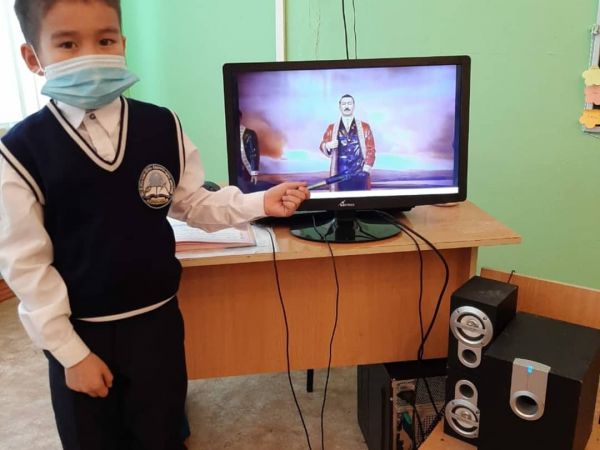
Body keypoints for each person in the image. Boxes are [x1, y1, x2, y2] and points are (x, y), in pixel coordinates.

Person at [0, 1, 309, 449]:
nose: (91, 55)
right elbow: (26, 266)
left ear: (122, 44)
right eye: (67, 44)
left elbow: (193, 203)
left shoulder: (160, 126)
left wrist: (260, 201)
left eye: (105, 40)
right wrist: (69, 353)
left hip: (157, 324)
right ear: (33, 57)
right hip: (82, 332)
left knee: (161, 432)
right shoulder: (20, 151)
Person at [319, 94, 376, 191]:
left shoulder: (364, 127)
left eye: (349, 103)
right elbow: (322, 144)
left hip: (360, 174)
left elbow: (371, 149)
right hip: (339, 175)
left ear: (353, 105)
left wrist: (366, 170)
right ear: (340, 106)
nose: (346, 106)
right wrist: (328, 145)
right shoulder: (332, 128)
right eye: (344, 104)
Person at [239, 110, 260, 192]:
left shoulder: (249, 134)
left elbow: (253, 153)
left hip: (244, 170)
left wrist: (254, 172)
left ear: (240, 118)